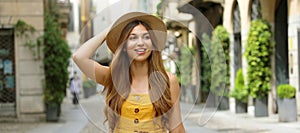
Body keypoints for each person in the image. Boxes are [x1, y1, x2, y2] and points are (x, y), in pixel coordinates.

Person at [73, 12, 186, 133]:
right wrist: (109, 30)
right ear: (124, 46)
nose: (141, 43)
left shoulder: (168, 81)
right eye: (133, 38)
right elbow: (79, 57)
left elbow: (177, 129)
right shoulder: (113, 78)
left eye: (146, 37)